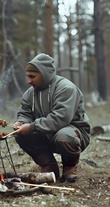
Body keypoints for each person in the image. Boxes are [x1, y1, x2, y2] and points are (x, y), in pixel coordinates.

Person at [13, 53, 90, 182]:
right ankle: (48, 166)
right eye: (28, 76)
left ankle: (69, 167)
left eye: (32, 76)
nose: (29, 81)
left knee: (64, 136)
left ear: (44, 74)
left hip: (73, 132)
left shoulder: (66, 88)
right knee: (20, 134)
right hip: (45, 133)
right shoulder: (29, 94)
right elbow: (25, 113)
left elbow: (61, 118)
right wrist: (21, 122)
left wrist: (32, 126)